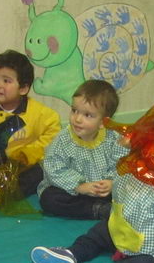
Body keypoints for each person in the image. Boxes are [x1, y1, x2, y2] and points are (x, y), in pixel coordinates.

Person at [30, 100, 154, 263]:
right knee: (99, 232)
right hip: (123, 233)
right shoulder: (135, 166)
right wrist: (124, 145)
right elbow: (116, 165)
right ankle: (72, 253)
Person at [0, 49, 60, 198]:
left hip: (23, 167)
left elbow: (51, 140)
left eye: (6, 81)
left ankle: (4, 192)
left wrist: (26, 154)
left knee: (40, 172)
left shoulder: (42, 114)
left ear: (23, 88)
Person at [37, 80, 128, 220]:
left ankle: (104, 207)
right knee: (49, 198)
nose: (77, 119)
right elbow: (53, 168)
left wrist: (111, 183)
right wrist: (79, 186)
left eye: (87, 115)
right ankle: (98, 210)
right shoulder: (63, 139)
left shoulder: (113, 138)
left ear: (104, 122)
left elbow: (122, 164)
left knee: (130, 190)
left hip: (103, 191)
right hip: (72, 191)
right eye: (74, 111)